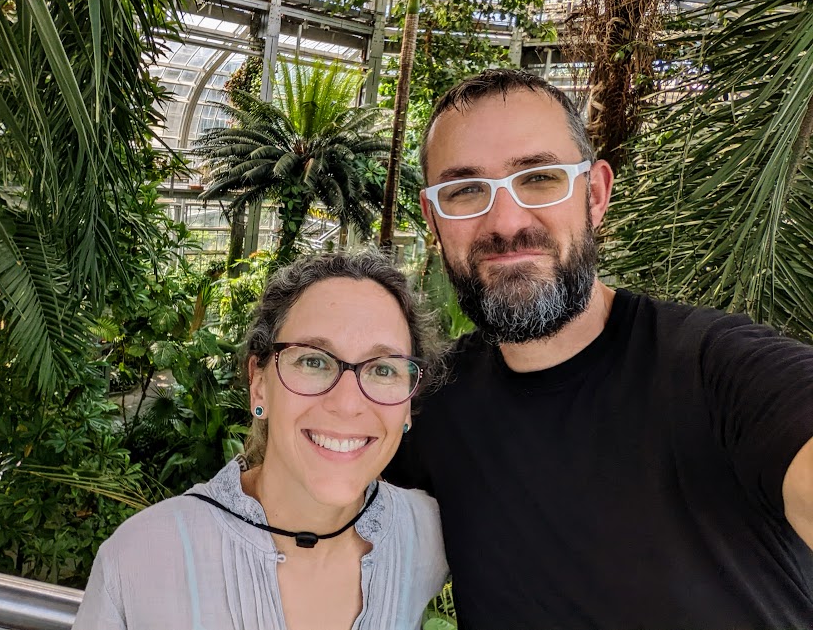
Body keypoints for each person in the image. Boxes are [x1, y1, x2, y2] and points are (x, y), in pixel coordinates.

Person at [387, 68, 813, 629]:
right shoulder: (430, 403)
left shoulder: (717, 370)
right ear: (433, 218)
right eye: (465, 190)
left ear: (595, 195)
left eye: (538, 178)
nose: (506, 222)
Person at [74, 251, 449, 629]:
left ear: (407, 405)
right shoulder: (143, 559)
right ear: (259, 384)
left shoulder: (433, 536)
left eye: (383, 369)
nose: (347, 404)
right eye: (313, 361)